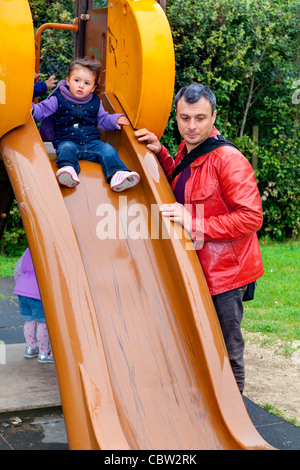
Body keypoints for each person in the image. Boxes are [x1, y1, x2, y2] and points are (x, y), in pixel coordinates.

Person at [134, 83, 264, 394]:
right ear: (176, 117)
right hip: (194, 264)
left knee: (226, 348)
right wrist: (162, 153)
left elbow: (251, 217)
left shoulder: (228, 160)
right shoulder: (186, 150)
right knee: (195, 341)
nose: (192, 126)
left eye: (200, 118)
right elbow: (185, 187)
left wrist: (194, 222)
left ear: (214, 116)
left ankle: (236, 424)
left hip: (225, 274)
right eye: (185, 118)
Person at [32, 57, 140, 191]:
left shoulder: (95, 102)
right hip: (67, 140)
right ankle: (69, 171)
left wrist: (114, 120)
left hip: (92, 143)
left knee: (108, 150)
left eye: (87, 83)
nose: (81, 86)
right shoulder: (58, 99)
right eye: (76, 80)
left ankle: (117, 174)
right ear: (68, 81)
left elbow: (103, 119)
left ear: (94, 87)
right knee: (65, 149)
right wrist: (32, 109)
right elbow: (42, 110)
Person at [14, 248, 53, 364]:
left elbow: (17, 268)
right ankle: (44, 353)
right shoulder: (47, 250)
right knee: (42, 322)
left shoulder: (28, 249)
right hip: (36, 292)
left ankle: (31, 348)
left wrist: (21, 284)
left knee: (29, 321)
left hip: (22, 290)